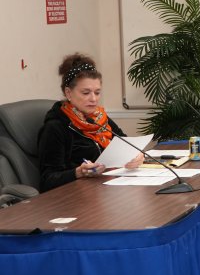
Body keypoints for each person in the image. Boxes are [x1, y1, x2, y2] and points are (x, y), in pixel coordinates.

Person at [38, 54, 143, 192]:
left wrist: (137, 155)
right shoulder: (56, 127)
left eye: (97, 92)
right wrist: (78, 172)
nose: (93, 99)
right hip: (75, 197)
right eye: (86, 93)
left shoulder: (99, 118)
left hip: (109, 190)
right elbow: (47, 180)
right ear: (68, 93)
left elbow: (126, 143)